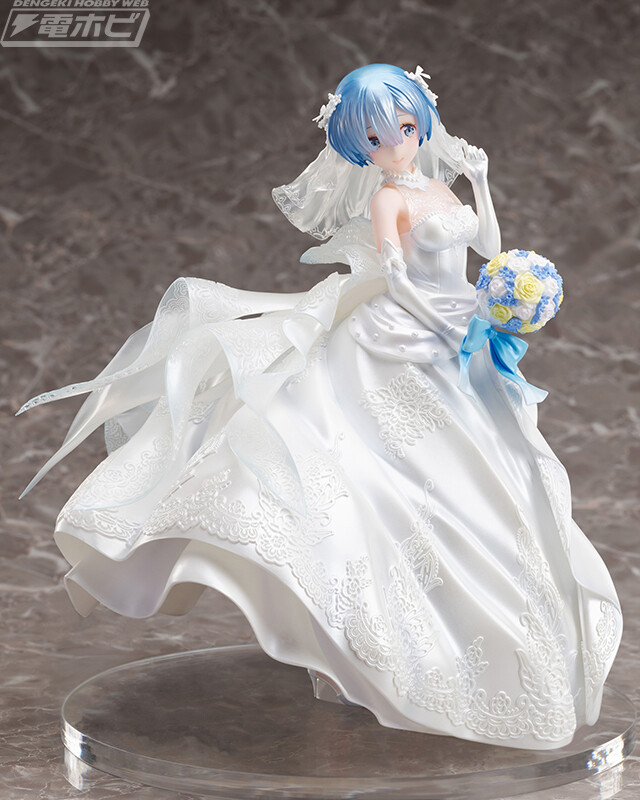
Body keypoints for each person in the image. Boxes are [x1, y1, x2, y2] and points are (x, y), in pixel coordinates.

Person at [19, 63, 621, 749]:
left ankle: (490, 626)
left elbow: (486, 246)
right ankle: (363, 643)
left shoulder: (440, 184)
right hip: (408, 335)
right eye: (375, 138)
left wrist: (480, 184)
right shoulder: (387, 199)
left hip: (461, 328)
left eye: (404, 127)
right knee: (385, 481)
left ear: (422, 120)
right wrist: (447, 324)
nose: (395, 144)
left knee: (488, 474)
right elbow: (397, 279)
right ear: (357, 147)